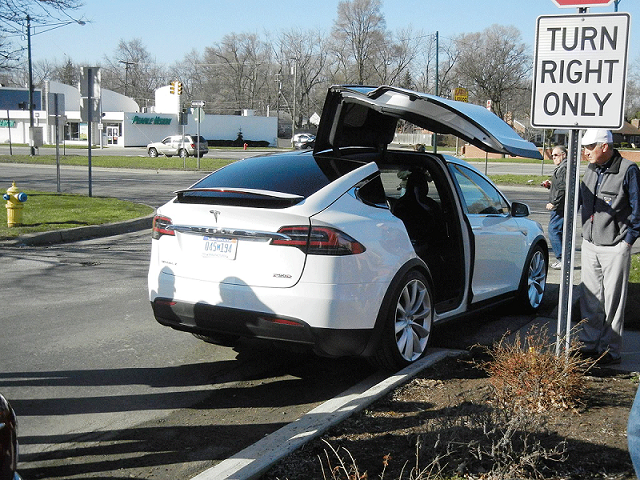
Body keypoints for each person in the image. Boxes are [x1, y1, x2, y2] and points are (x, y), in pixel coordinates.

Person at [578, 128, 640, 365]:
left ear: (605, 146)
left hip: (616, 246)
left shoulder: (628, 170)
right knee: (590, 298)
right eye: (584, 147)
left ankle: (610, 350)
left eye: (590, 147)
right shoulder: (592, 168)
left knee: (613, 301)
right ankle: (588, 344)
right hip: (590, 243)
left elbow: (638, 209)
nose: (585, 152)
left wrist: (627, 241)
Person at [542, 145, 567, 270]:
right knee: (560, 232)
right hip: (562, 206)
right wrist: (550, 184)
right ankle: (564, 259)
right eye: (552, 156)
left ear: (564, 155)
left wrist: (554, 203)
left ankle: (562, 259)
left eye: (556, 155)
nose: (553, 158)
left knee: (553, 231)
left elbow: (563, 189)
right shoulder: (562, 168)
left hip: (560, 207)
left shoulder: (564, 168)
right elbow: (560, 185)